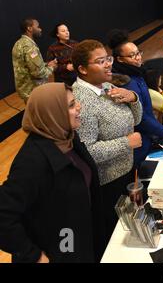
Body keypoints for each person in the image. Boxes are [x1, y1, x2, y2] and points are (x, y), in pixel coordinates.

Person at [0, 83, 105, 263]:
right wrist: (34, 255)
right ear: (52, 113)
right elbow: (3, 215)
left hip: (77, 240)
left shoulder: (69, 138)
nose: (79, 106)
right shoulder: (31, 161)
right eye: (71, 105)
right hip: (60, 249)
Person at [71, 39, 143, 246]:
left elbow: (135, 120)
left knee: (128, 232)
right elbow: (87, 152)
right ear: (83, 69)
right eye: (101, 61)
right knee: (114, 240)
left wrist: (133, 98)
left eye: (108, 59)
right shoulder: (81, 101)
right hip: (106, 182)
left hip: (125, 171)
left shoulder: (107, 86)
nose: (108, 64)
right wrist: (126, 143)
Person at [108, 30, 163, 169]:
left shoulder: (136, 73)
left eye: (138, 53)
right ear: (120, 59)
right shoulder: (128, 83)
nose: (138, 58)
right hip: (139, 143)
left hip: (148, 134)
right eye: (132, 55)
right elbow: (141, 118)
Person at [12, 17, 58, 103]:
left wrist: (46, 65)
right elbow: (38, 73)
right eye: (37, 26)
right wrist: (52, 68)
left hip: (26, 91)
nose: (40, 29)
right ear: (29, 28)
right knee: (42, 115)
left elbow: (27, 65)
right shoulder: (30, 47)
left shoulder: (18, 43)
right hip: (34, 91)